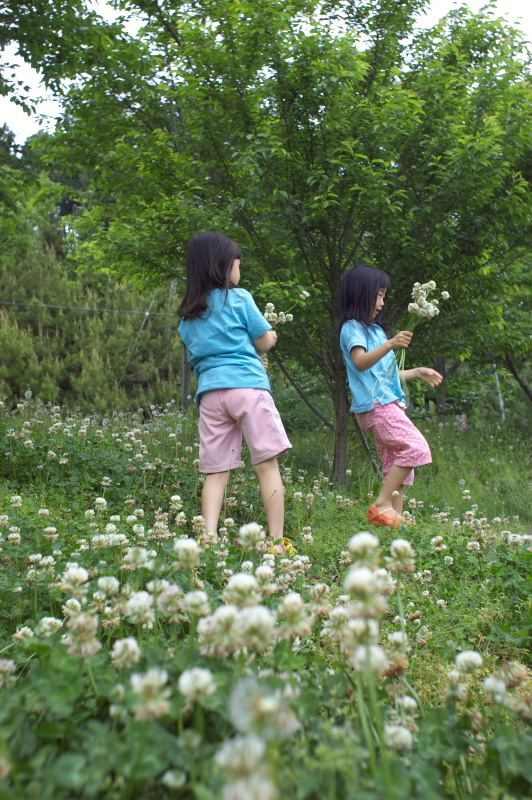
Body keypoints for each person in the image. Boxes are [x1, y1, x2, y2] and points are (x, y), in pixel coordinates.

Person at [178, 231, 292, 543]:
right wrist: (268, 342)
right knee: (267, 466)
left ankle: (209, 538)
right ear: (225, 265)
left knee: (216, 471)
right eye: (238, 263)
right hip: (247, 389)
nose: (240, 269)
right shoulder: (239, 298)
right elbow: (263, 339)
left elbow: (209, 354)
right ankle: (276, 542)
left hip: (211, 396)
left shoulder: (187, 318)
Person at [338, 264, 443, 528]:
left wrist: (417, 372)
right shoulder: (352, 328)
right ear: (361, 293)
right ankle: (382, 504)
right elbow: (360, 362)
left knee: (396, 465)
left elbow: (387, 375)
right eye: (379, 294)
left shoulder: (376, 331)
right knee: (416, 448)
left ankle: (394, 523)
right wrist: (391, 344)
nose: (382, 303)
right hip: (377, 407)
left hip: (387, 404)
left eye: (385, 296)